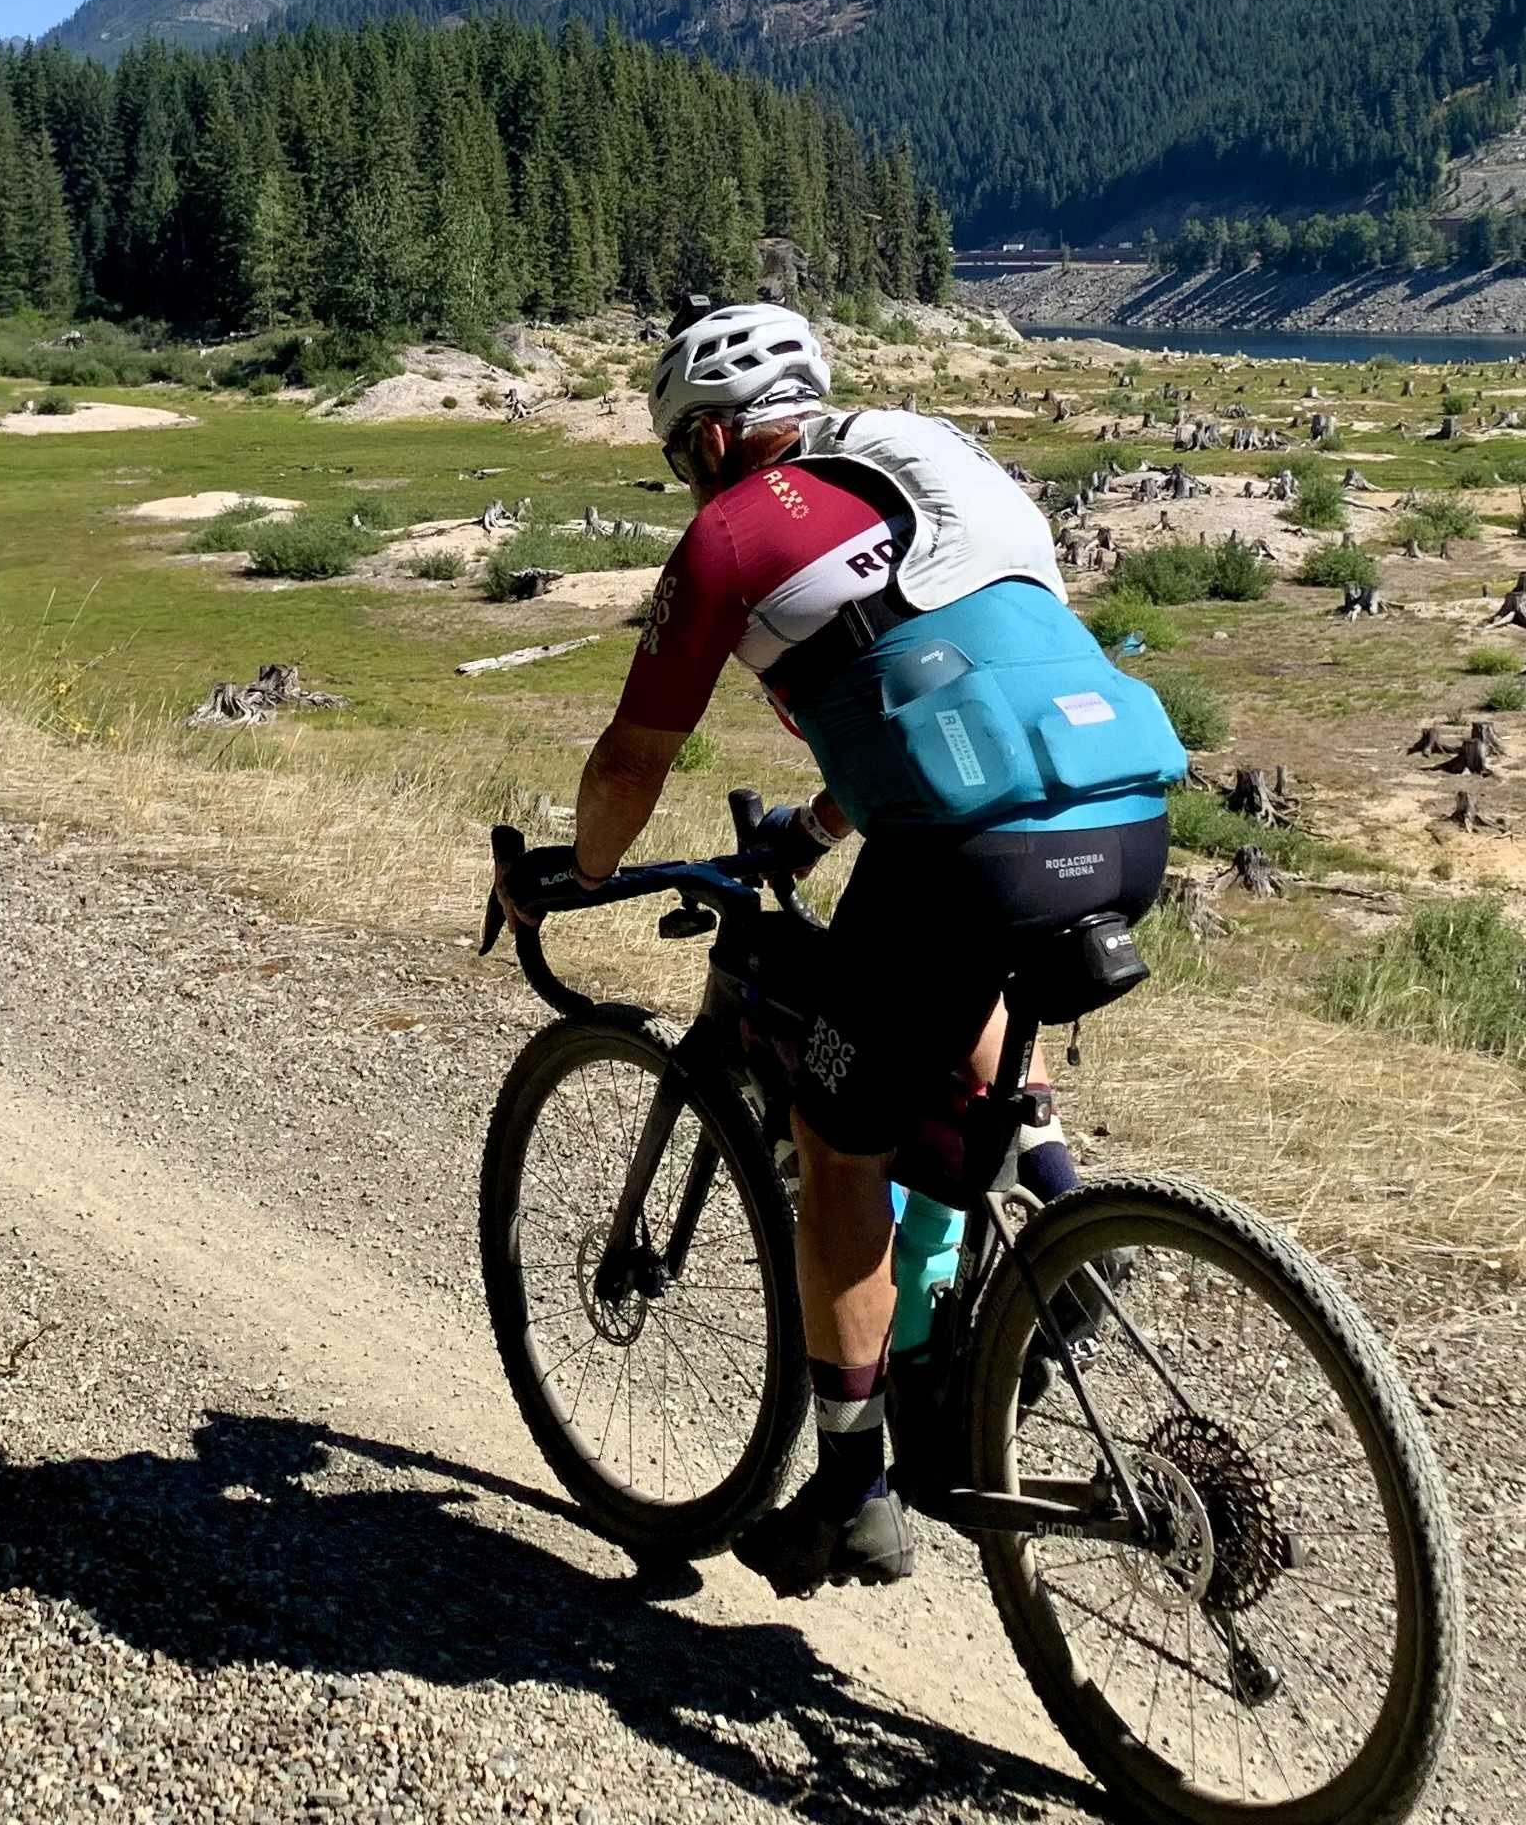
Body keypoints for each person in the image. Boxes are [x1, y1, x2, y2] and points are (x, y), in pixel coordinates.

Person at [503, 302, 1184, 1596]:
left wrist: (578, 876)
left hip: (970, 850)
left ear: (708, 439)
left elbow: (636, 755)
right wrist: (817, 828)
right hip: (1127, 805)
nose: (684, 478)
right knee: (940, 978)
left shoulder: (729, 533)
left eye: (677, 457)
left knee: (836, 1130)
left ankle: (854, 1483)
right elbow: (948, 679)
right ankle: (1058, 1202)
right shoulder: (935, 453)